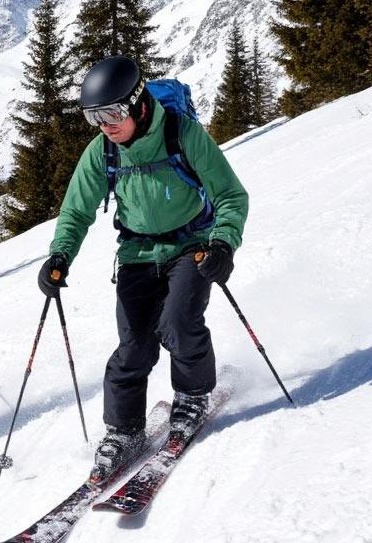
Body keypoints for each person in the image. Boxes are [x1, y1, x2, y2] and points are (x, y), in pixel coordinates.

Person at [39, 55, 248, 481]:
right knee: (133, 346)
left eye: (112, 112)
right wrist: (60, 256)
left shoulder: (182, 134)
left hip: (192, 246)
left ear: (137, 103)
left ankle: (191, 396)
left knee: (177, 323)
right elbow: (76, 211)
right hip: (136, 254)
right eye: (93, 116)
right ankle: (123, 430)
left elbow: (231, 196)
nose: (105, 124)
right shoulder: (104, 150)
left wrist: (224, 243)